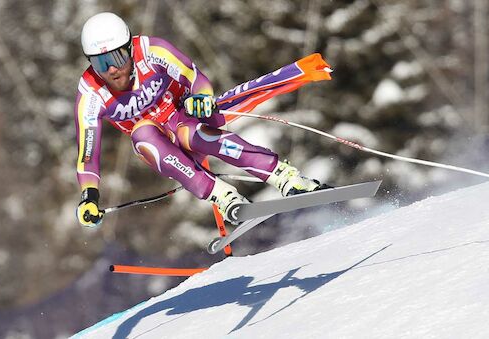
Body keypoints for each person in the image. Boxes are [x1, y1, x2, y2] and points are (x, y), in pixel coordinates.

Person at [75, 12, 327, 227]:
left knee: (194, 134)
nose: (111, 70)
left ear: (130, 48)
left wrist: (203, 98)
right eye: (101, 63)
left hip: (185, 118)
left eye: (117, 58)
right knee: (142, 136)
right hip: (161, 147)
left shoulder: (152, 51)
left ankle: (283, 176)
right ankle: (222, 195)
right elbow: (88, 155)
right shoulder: (90, 94)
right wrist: (90, 197)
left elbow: (196, 78)